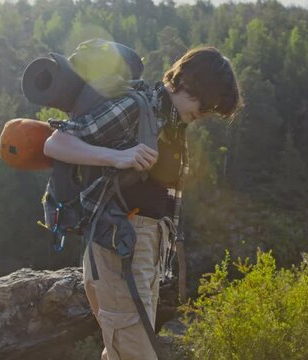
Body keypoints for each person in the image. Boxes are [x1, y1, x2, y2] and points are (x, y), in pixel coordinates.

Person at [43, 46, 241, 360]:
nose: (204, 115)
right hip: (118, 247)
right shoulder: (137, 108)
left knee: (124, 349)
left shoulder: (173, 121)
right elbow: (55, 143)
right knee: (135, 352)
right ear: (188, 83)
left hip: (142, 249)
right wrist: (116, 156)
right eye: (207, 106)